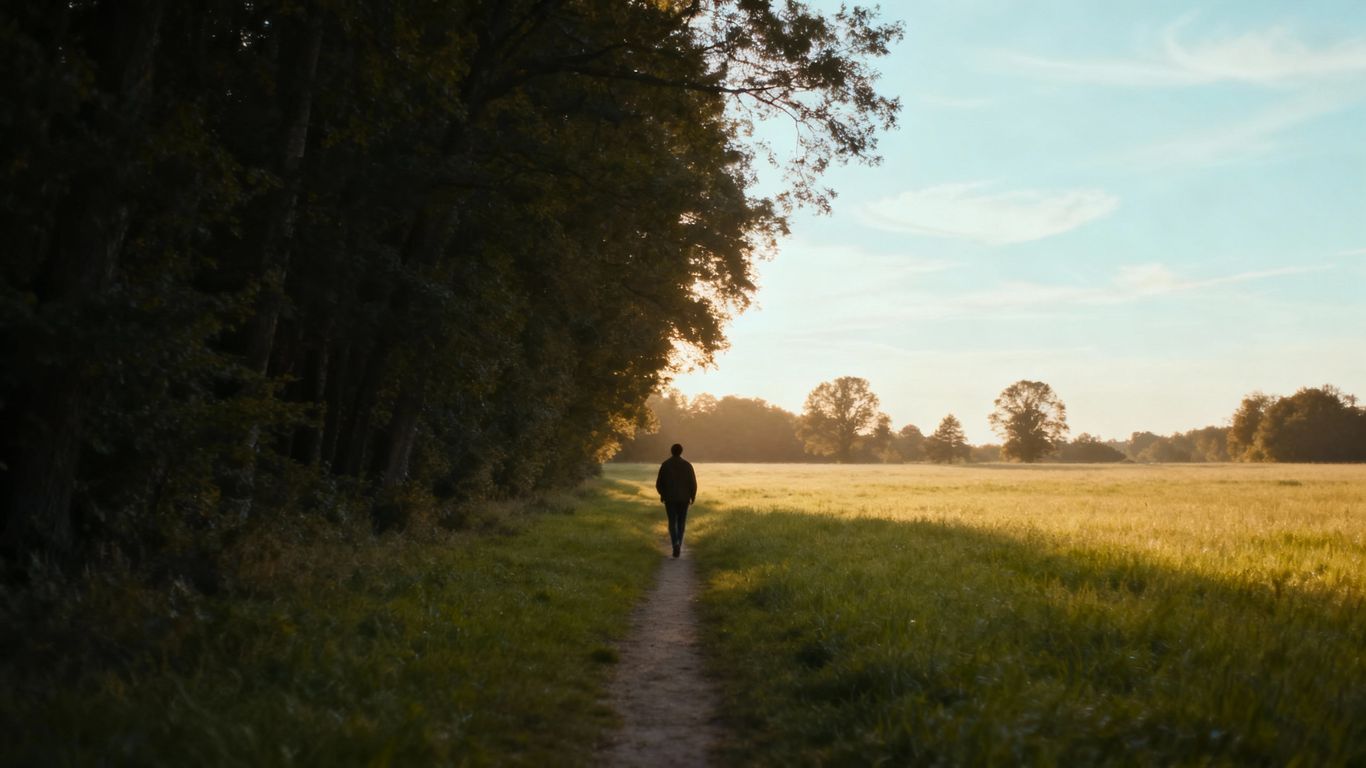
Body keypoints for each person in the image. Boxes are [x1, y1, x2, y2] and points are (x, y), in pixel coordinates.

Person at [655, 443, 697, 558]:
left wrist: (663, 494)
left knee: (672, 522)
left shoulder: (665, 465)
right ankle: (679, 542)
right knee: (681, 522)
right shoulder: (687, 465)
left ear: (671, 451)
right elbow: (693, 483)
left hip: (670, 498)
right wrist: (692, 496)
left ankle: (675, 544)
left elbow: (659, 484)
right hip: (684, 499)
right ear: (681, 451)